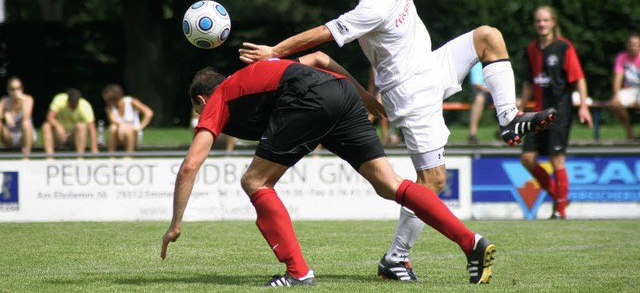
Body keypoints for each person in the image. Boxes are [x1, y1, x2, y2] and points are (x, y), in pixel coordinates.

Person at [238, 0, 556, 281]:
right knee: (431, 181)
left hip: (431, 67)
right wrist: (274, 52)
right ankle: (396, 259)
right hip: (410, 93)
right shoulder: (375, 5)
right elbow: (325, 33)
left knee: (488, 36)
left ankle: (508, 118)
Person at [160, 56, 495, 286]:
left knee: (254, 180)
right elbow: (320, 58)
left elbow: (190, 165)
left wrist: (175, 224)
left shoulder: (218, 98)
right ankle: (471, 242)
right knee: (389, 184)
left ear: (202, 101)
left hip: (309, 97)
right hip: (342, 92)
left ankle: (298, 273)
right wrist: (362, 94)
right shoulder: (249, 81)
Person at [519, 5, 593, 220]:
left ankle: (559, 211)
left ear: (553, 23)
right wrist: (521, 109)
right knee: (527, 158)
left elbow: (578, 77)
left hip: (559, 111)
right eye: (538, 21)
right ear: (535, 24)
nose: (542, 24)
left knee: (556, 160)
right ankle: (558, 195)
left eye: (545, 20)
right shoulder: (531, 49)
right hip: (537, 113)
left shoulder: (563, 47)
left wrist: (584, 106)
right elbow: (527, 82)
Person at [41, 88, 99, 154]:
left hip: (73, 136)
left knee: (81, 126)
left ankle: (80, 157)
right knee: (46, 126)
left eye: (75, 105)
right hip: (58, 135)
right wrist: (58, 127)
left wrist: (94, 148)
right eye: (71, 104)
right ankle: (49, 157)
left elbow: (92, 128)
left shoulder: (85, 106)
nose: (73, 106)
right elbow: (49, 117)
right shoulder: (59, 100)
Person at [102, 84, 154, 152]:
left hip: (132, 134)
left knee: (128, 129)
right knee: (113, 128)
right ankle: (111, 155)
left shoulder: (130, 102)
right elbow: (113, 120)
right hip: (118, 134)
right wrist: (122, 126)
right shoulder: (109, 108)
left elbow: (148, 113)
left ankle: (128, 155)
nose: (108, 103)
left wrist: (140, 127)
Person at [609, 32, 640, 140]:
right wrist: (616, 95)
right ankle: (629, 131)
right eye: (631, 44)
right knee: (616, 104)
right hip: (629, 89)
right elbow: (618, 77)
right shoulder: (622, 57)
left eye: (636, 44)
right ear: (627, 45)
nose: (634, 47)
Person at [0, 77, 36, 154]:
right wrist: (5, 116)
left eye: (18, 88)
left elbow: (26, 117)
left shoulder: (28, 99)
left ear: (22, 89)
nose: (16, 91)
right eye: (12, 89)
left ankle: (27, 156)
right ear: (8, 90)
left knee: (26, 123)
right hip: (10, 137)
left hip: (25, 136)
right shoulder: (4, 101)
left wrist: (22, 100)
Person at [467, 62, 491, 144]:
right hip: (484, 92)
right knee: (479, 98)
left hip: (495, 92)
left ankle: (503, 130)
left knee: (516, 102)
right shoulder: (477, 64)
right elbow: (477, 84)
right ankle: (472, 133)